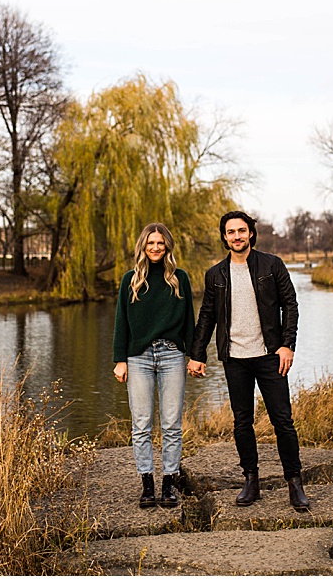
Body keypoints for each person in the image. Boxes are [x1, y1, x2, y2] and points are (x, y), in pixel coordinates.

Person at [187, 210, 310, 512]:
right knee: (242, 422)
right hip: (235, 358)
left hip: (270, 356)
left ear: (251, 234)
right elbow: (207, 316)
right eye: (231, 232)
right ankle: (250, 480)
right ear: (224, 237)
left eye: (242, 231)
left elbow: (290, 305)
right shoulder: (216, 274)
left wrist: (287, 345)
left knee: (282, 420)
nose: (237, 236)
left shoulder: (272, 265)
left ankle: (294, 483)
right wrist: (197, 354)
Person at [112, 222, 195, 509]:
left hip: (172, 355)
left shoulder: (179, 278)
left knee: (172, 424)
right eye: (151, 243)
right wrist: (119, 360)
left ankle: (169, 483)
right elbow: (121, 321)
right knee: (141, 424)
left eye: (160, 243)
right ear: (143, 247)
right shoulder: (130, 280)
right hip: (139, 358)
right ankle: (147, 484)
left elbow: (189, 322)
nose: (156, 247)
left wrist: (196, 355)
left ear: (167, 246)